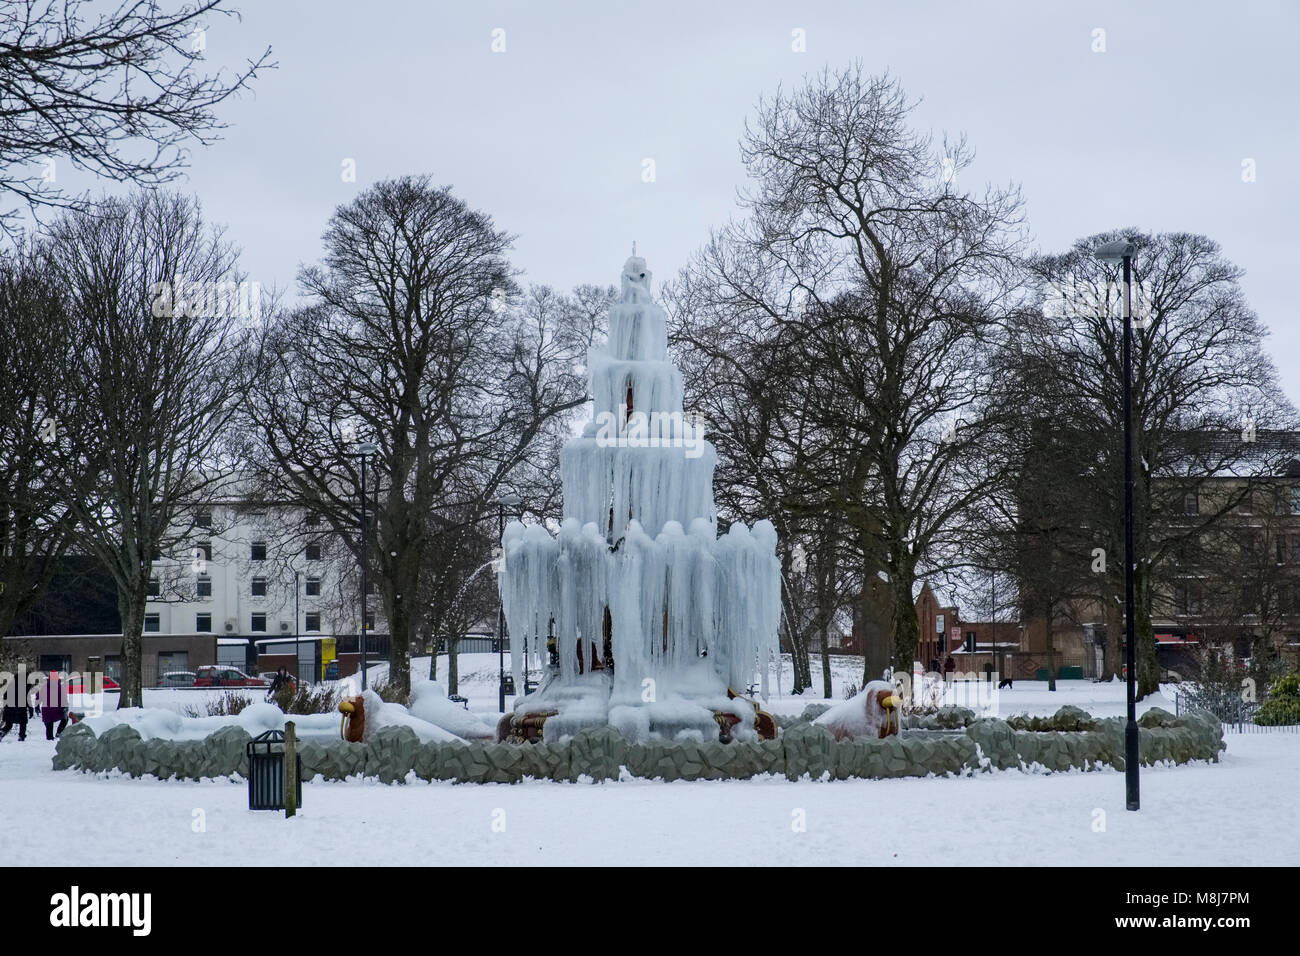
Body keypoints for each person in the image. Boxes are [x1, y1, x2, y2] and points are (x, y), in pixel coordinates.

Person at [0, 673, 34, 741]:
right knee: (23, 723)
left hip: (9, 708)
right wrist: (31, 710)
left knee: (8, 725)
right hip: (20, 709)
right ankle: (22, 736)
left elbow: (5, 696)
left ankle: (1, 733)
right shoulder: (25, 686)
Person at [37, 671, 69, 740]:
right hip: (57, 710)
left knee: (48, 724)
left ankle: (49, 738)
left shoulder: (44, 687)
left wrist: (37, 706)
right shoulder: (60, 687)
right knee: (65, 719)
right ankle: (59, 732)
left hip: (46, 710)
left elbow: (38, 697)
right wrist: (65, 707)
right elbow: (64, 698)